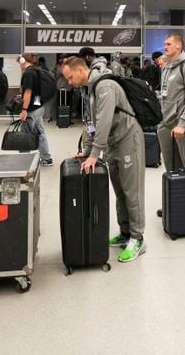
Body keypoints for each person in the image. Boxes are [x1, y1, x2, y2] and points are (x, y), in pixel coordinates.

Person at [64, 57, 146, 263]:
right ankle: (125, 232)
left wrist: (95, 155)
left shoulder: (105, 86)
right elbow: (92, 123)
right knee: (120, 191)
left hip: (128, 139)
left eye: (71, 77)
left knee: (132, 192)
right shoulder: (90, 90)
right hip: (113, 143)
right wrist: (88, 149)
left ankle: (138, 239)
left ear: (82, 70)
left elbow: (104, 121)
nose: (70, 83)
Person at [157, 33, 185, 175]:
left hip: (184, 125)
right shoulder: (166, 67)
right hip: (166, 123)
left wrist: (182, 124)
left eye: (168, 44)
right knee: (171, 170)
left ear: (179, 45)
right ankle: (174, 197)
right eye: (165, 44)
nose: (165, 47)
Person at [17, 53, 53, 166]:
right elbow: (34, 92)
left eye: (19, 63)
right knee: (39, 132)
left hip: (31, 109)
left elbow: (28, 92)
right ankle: (46, 158)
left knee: (25, 133)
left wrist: (24, 109)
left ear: (23, 60)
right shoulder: (36, 71)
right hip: (38, 106)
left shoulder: (28, 73)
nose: (19, 65)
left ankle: (24, 159)